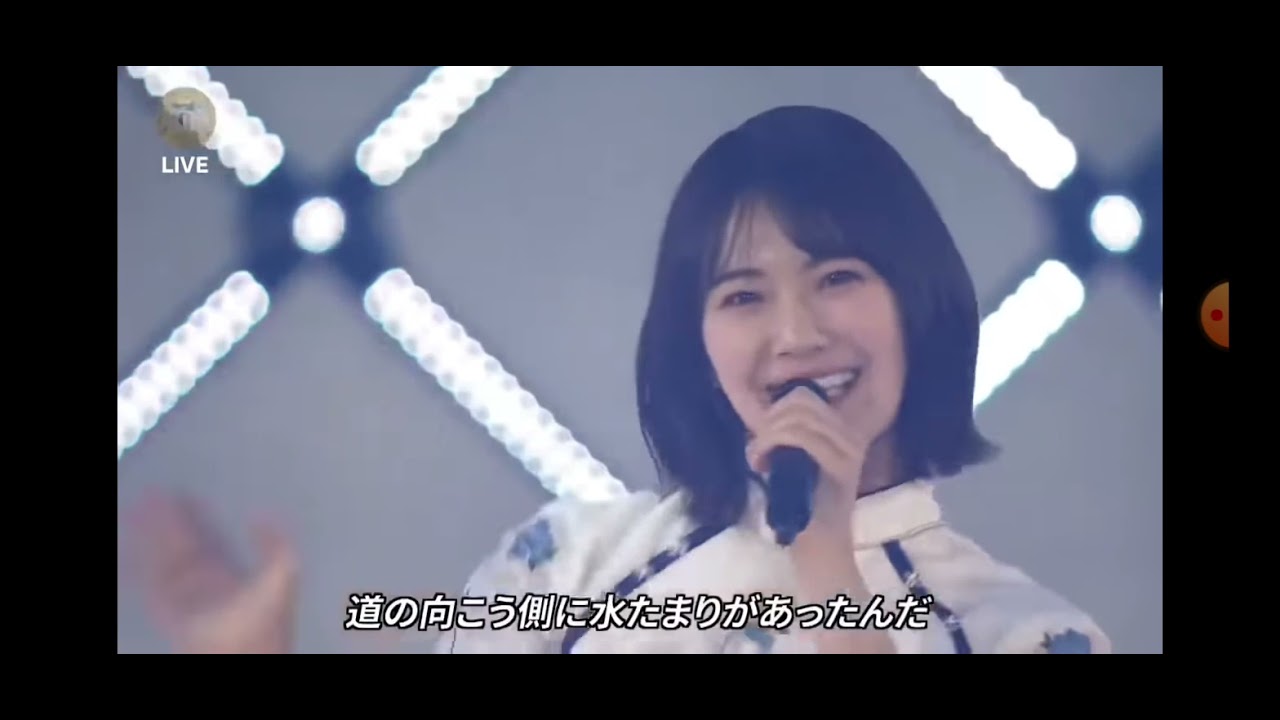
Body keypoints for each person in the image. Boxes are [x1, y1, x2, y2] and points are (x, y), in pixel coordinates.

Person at [126, 105, 1110, 654]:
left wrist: (826, 565)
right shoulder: (572, 561)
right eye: (742, 296)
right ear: (695, 342)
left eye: (838, 278)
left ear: (921, 303)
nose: (795, 334)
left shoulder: (1028, 634)